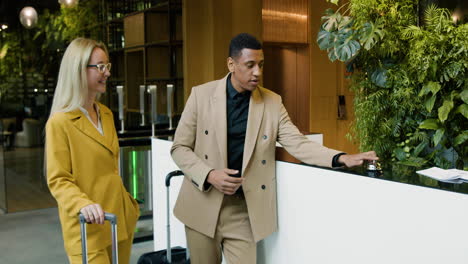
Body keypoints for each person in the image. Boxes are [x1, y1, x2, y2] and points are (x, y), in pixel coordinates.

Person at [171, 33, 378, 263]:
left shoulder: (272, 102)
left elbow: (297, 143)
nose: (257, 72)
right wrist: (209, 175)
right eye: (250, 65)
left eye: (260, 65)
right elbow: (179, 147)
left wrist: (341, 157)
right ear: (231, 64)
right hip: (202, 205)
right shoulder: (201, 95)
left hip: (243, 210)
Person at [45, 38, 139, 264]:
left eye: (107, 66)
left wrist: (129, 204)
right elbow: (58, 179)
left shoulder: (105, 114)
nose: (106, 73)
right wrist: (83, 205)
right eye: (100, 67)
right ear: (78, 70)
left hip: (118, 221)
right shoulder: (60, 123)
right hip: (88, 226)